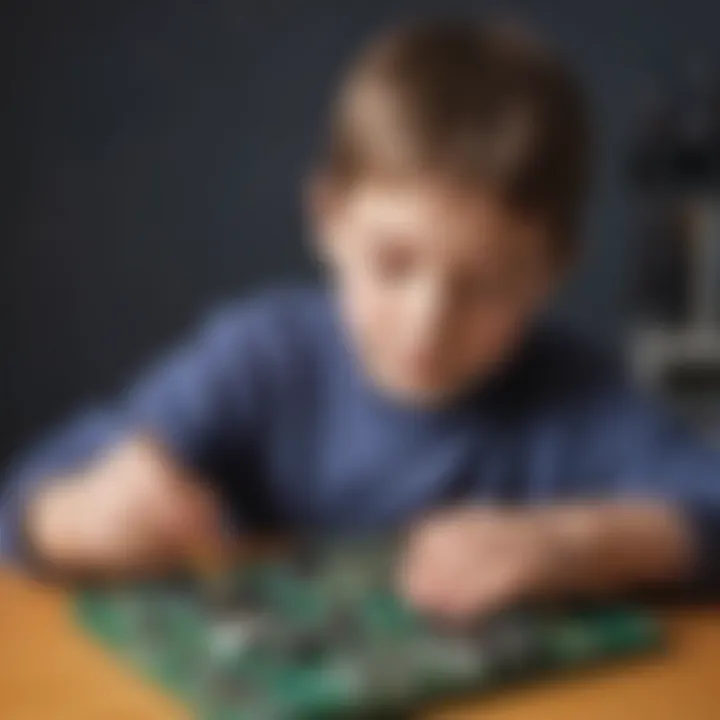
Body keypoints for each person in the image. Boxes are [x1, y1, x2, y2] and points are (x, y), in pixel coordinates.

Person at [2, 18, 718, 621]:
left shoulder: (573, 398)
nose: (427, 322)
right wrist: (76, 517)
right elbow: (25, 506)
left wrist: (574, 543)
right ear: (328, 218)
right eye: (393, 264)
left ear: (553, 271)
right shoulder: (261, 358)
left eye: (486, 284)